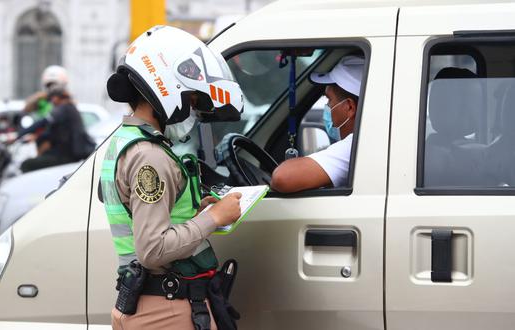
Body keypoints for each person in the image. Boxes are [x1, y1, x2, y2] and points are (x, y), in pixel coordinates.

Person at [102, 26, 245, 330]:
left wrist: (193, 211)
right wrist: (214, 218)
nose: (193, 110)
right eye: (192, 100)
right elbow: (153, 249)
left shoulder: (126, 140)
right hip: (165, 310)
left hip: (150, 305)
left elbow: (142, 216)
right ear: (168, 88)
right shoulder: (149, 155)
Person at [271, 55, 364, 193]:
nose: (327, 106)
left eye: (329, 99)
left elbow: (283, 178)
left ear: (349, 107)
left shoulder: (356, 146)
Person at [18, 87, 94, 172]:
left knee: (26, 164)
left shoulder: (63, 108)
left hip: (65, 156)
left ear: (57, 98)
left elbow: (44, 123)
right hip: (68, 154)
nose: (51, 102)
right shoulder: (70, 108)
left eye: (52, 98)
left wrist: (19, 135)